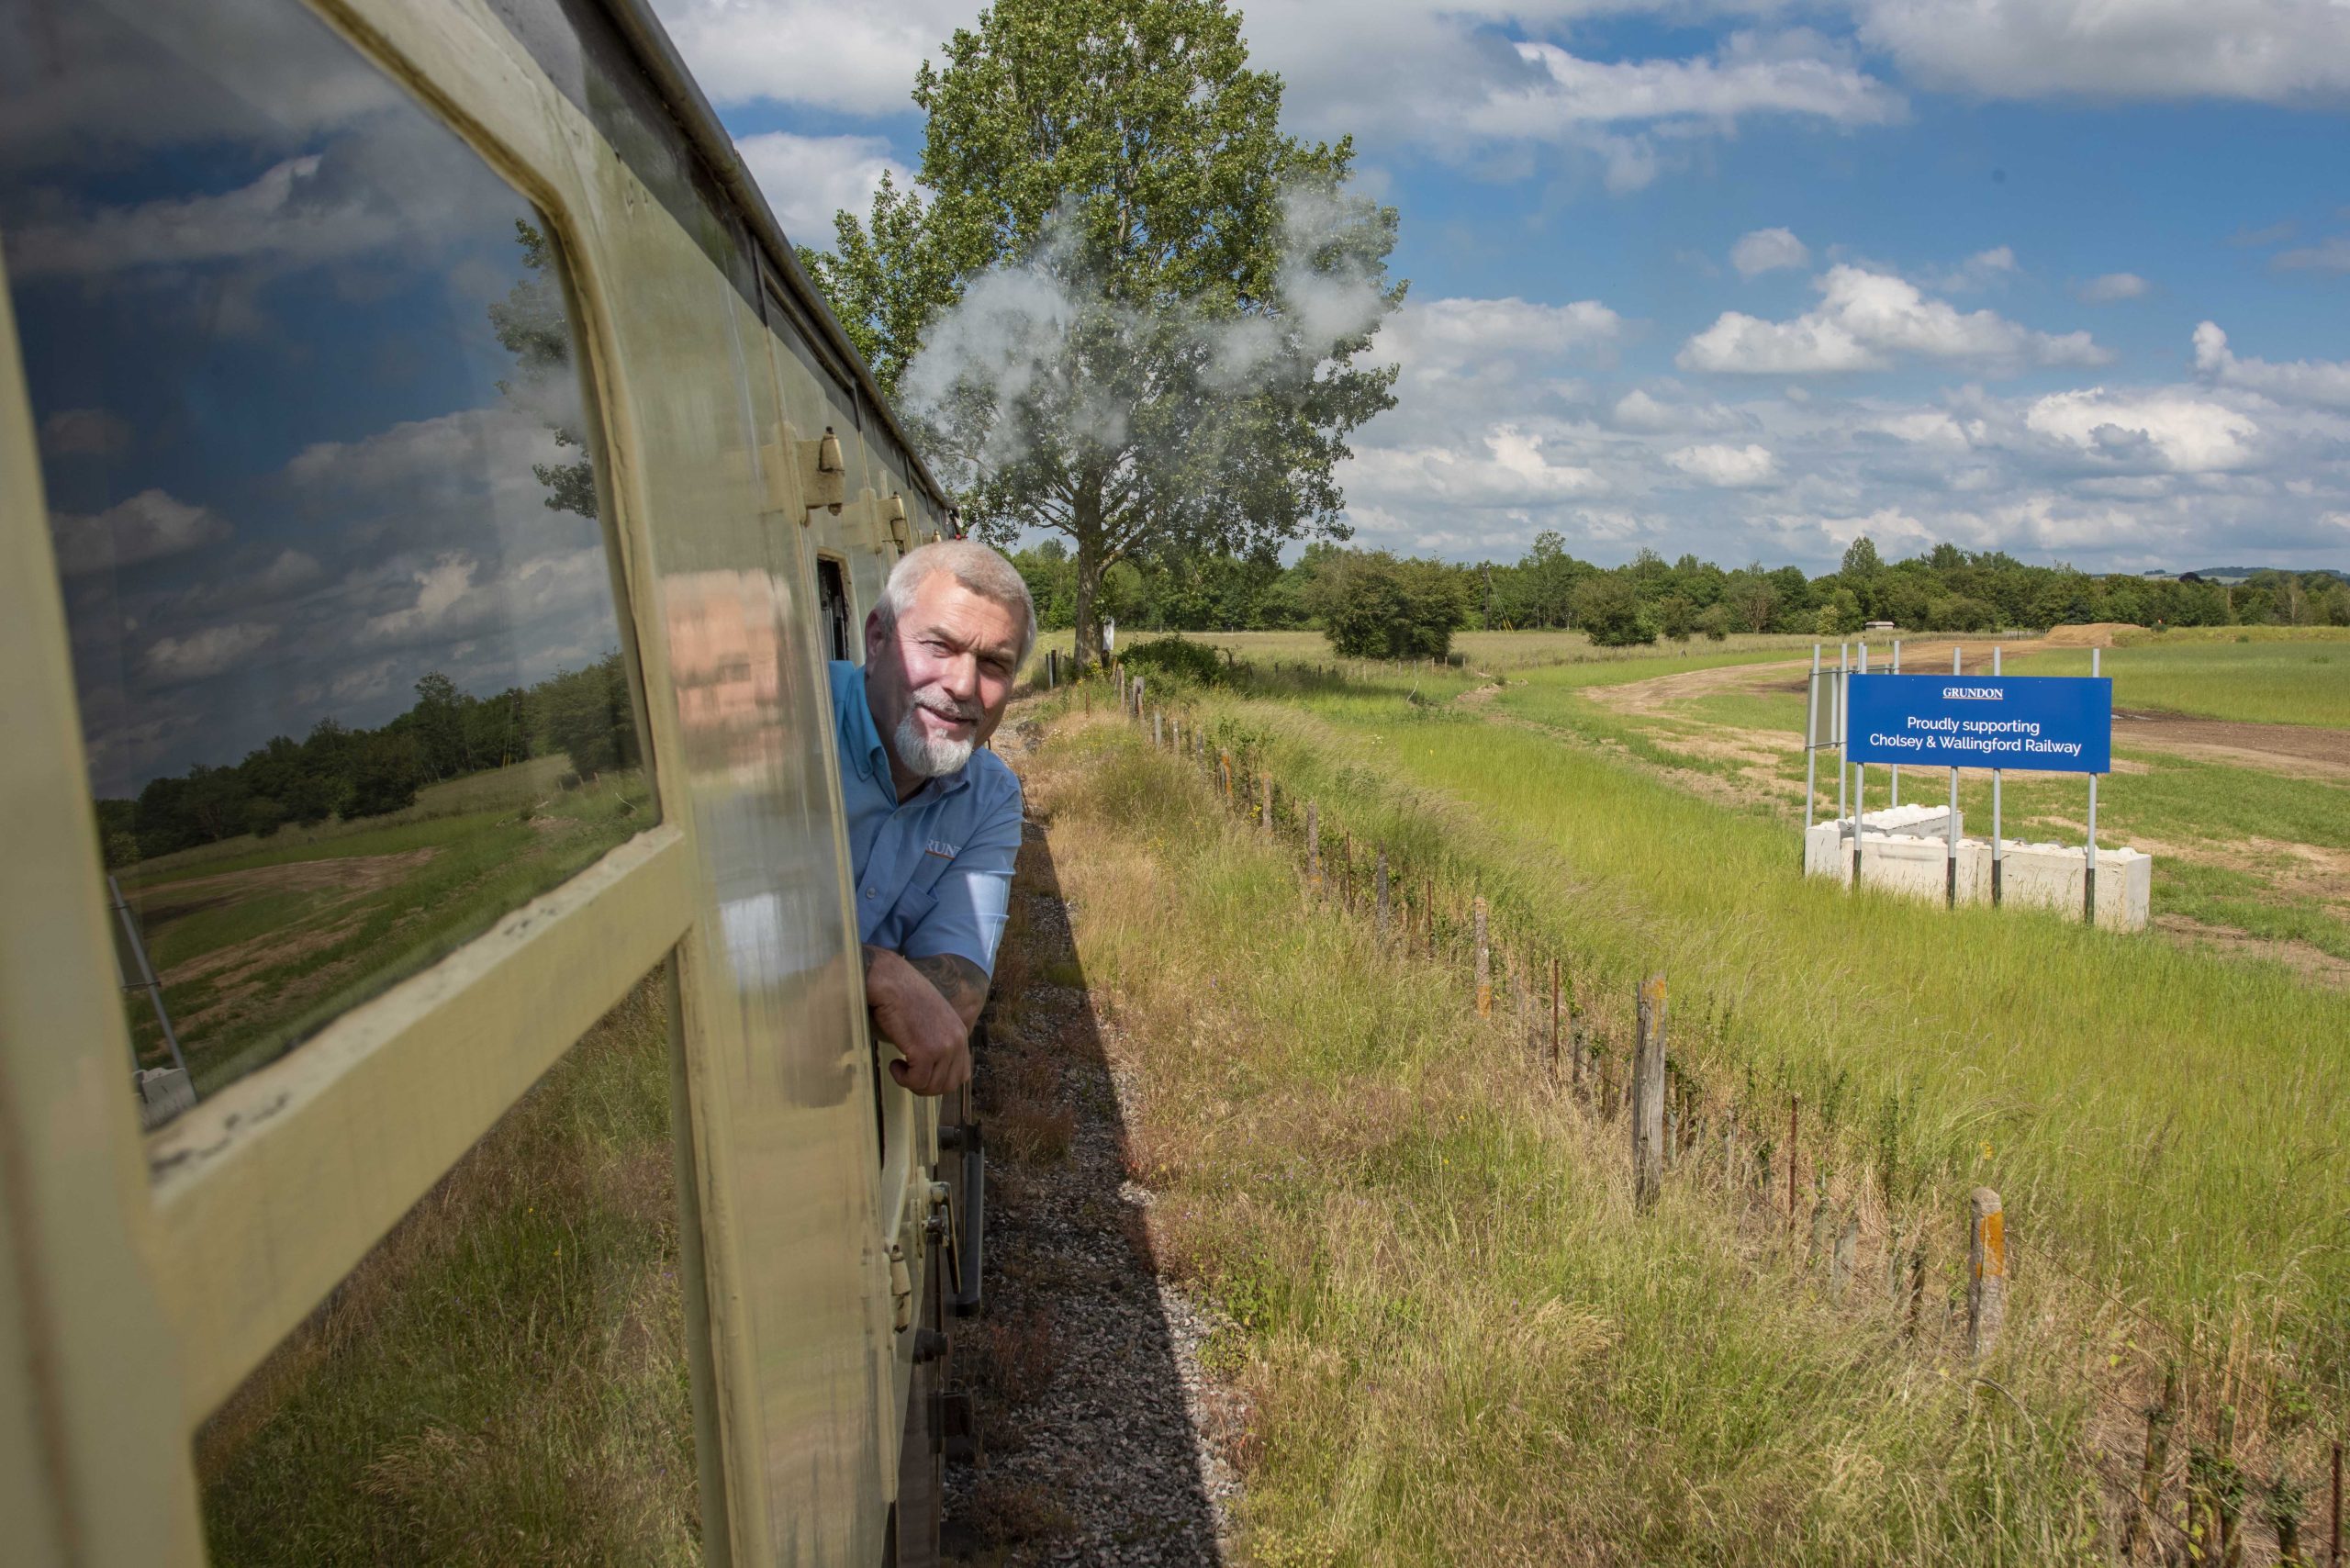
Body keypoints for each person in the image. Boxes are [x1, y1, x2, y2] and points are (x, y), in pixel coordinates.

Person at [833, 539, 1032, 1096]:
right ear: (877, 640)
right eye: (938, 646)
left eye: (994, 663)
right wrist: (878, 970)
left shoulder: (989, 796)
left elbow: (961, 991)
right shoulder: (793, 722)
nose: (963, 686)